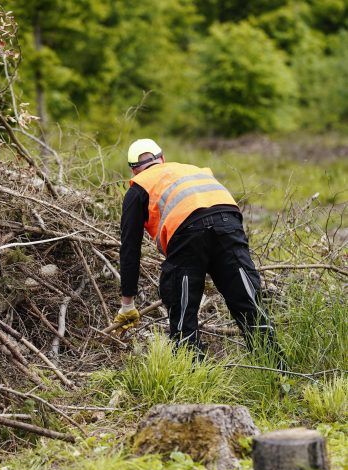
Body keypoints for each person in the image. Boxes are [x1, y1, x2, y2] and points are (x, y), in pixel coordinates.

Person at [114, 138, 283, 362]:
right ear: (162, 158)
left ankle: (193, 375)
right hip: (229, 224)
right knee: (248, 303)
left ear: (134, 170)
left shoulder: (138, 187)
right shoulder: (193, 170)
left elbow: (130, 248)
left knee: (183, 311)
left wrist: (127, 304)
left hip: (187, 232)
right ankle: (277, 371)